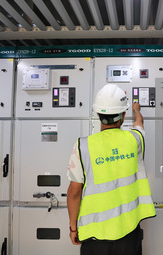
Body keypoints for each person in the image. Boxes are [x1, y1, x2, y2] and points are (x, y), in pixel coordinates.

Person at [66, 84, 156, 255]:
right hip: (129, 233)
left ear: (98, 114)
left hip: (95, 238)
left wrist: (73, 227)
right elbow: (139, 123)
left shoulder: (82, 146)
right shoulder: (135, 139)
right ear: (123, 115)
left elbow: (74, 192)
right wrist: (136, 110)